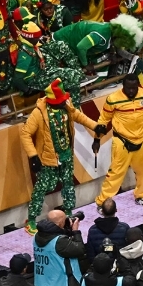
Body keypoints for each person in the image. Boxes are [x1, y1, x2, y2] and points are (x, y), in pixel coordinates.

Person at [21, 80, 100, 232]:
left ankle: (69, 215)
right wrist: (33, 156)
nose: (63, 103)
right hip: (48, 159)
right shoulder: (39, 112)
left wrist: (95, 126)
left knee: (68, 185)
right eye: (60, 101)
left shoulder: (66, 104)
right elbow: (25, 133)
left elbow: (78, 115)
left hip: (66, 155)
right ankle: (31, 220)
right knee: (42, 189)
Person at [94, 75, 143, 209]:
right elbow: (103, 120)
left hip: (142, 140)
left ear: (138, 86)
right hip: (121, 142)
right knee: (116, 173)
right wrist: (96, 139)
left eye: (134, 88)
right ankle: (102, 202)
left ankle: (141, 195)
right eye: (128, 88)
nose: (131, 91)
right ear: (123, 86)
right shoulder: (112, 99)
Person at [32, 210, 88, 286]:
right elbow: (79, 250)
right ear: (61, 223)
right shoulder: (60, 242)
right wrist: (75, 231)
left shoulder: (37, 236)